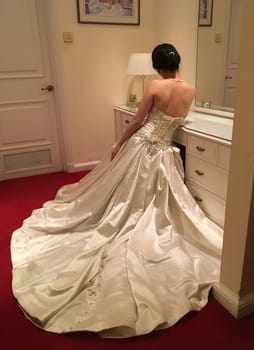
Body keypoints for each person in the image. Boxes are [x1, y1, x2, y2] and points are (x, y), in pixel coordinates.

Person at [11, 43, 223, 339]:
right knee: (157, 200)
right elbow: (176, 119)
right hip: (164, 151)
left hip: (143, 146)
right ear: (178, 63)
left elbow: (138, 121)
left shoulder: (154, 86)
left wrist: (118, 142)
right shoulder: (191, 88)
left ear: (157, 66)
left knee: (121, 196)